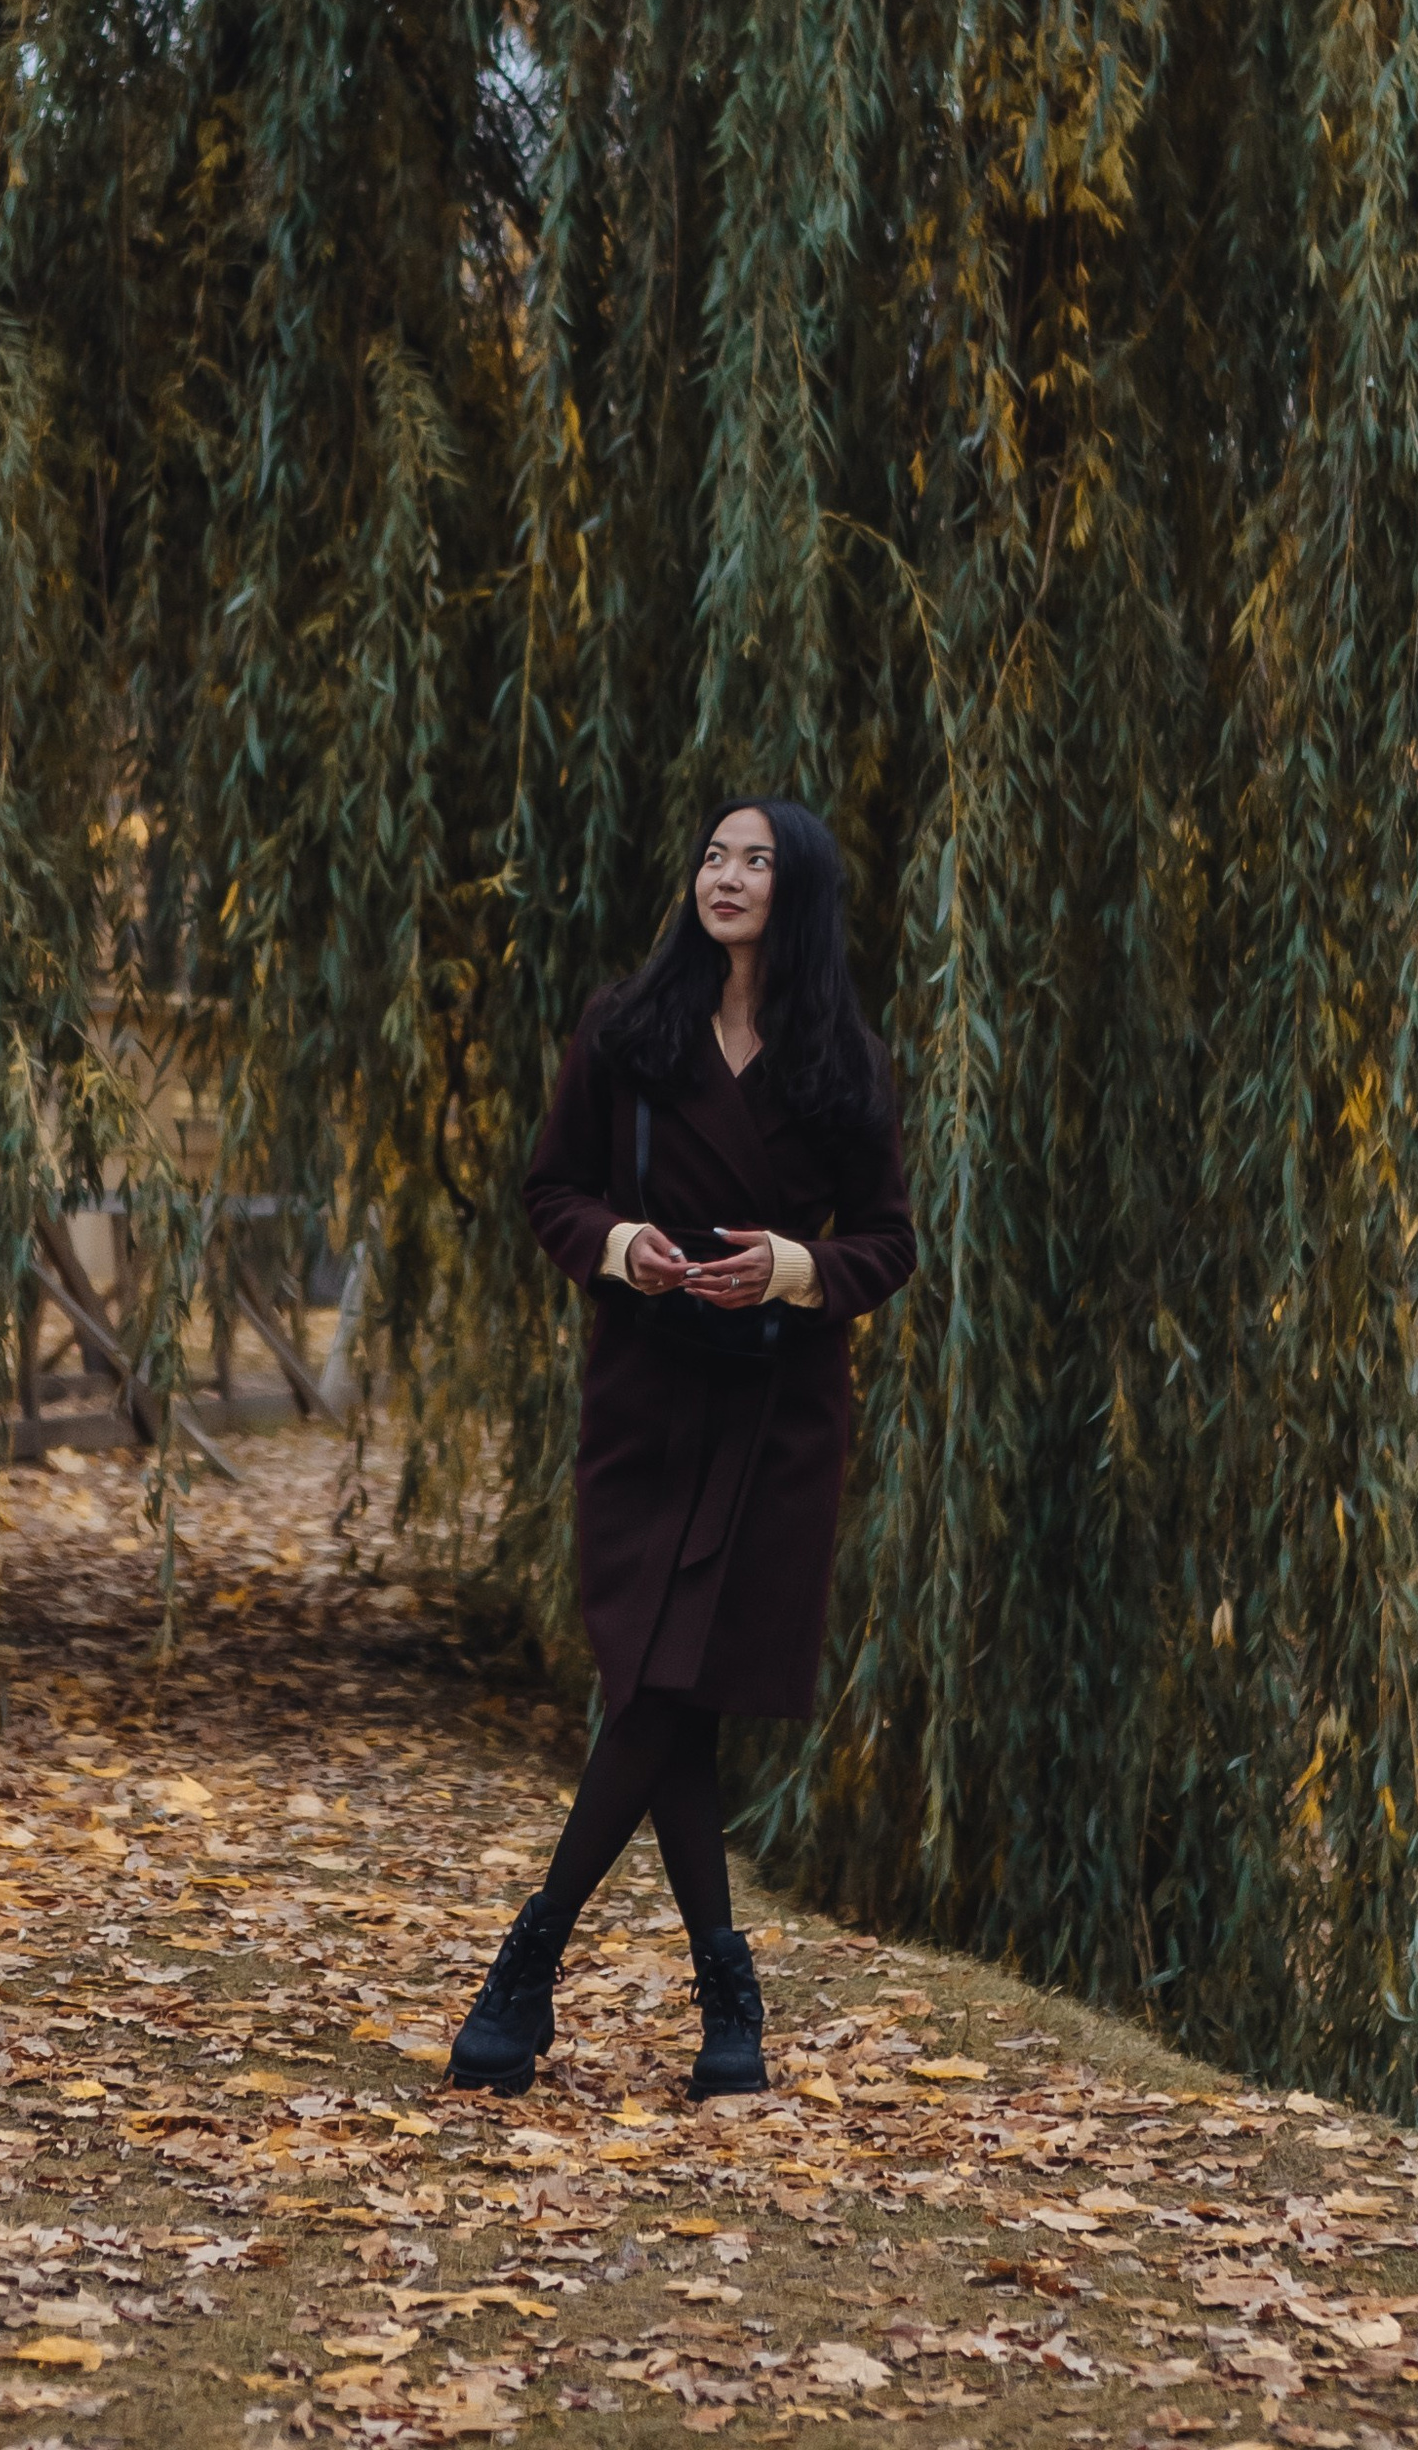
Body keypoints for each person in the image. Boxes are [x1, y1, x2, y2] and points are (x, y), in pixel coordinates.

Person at [448, 796, 916, 2102]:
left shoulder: (843, 1062)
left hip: (775, 1420)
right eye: (712, 852)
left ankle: (527, 1978)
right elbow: (551, 1188)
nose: (726, 874)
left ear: (799, 892)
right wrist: (617, 1247)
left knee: (666, 1697)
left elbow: (890, 1240)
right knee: (662, 1694)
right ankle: (723, 2001)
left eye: (757, 860)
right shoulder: (627, 1027)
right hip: (647, 1402)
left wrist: (794, 1266)